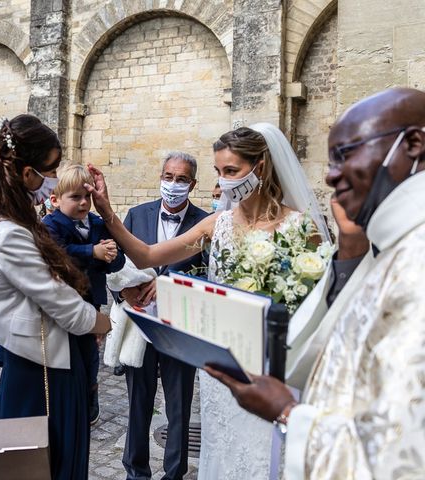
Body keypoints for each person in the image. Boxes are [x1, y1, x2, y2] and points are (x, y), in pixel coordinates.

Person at [203, 88, 425, 480]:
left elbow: (403, 446)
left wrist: (289, 413)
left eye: (348, 153)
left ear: (413, 144)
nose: (330, 173)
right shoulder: (395, 238)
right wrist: (351, 248)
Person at [85, 127, 330, 480]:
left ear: (260, 167)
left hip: (271, 363)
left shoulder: (300, 227)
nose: (224, 181)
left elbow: (317, 306)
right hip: (220, 365)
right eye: (218, 172)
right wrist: (107, 212)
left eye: (231, 171)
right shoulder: (217, 224)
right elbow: (148, 255)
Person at [0, 114, 111, 479]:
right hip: (42, 366)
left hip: (42, 358)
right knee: (40, 463)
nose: (52, 180)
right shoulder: (10, 232)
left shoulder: (5, 221)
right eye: (51, 171)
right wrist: (100, 321)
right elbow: (59, 302)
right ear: (28, 174)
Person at [107, 151, 208, 480]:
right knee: (138, 402)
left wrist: (172, 286)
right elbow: (116, 262)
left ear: (192, 184)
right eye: (168, 177)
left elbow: (209, 276)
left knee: (179, 405)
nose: (173, 184)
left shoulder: (204, 222)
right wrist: (122, 292)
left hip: (181, 326)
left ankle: (174, 472)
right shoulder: (137, 215)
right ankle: (135, 471)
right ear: (160, 177)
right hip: (140, 324)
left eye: (181, 179)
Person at [43, 164, 126, 425]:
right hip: (61, 303)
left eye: (87, 197)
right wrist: (92, 251)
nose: (83, 203)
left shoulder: (99, 224)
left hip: (91, 302)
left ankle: (90, 396)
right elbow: (59, 254)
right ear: (55, 200)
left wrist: (110, 255)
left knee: (89, 354)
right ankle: (61, 403)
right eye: (75, 197)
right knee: (61, 353)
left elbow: (116, 261)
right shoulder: (50, 224)